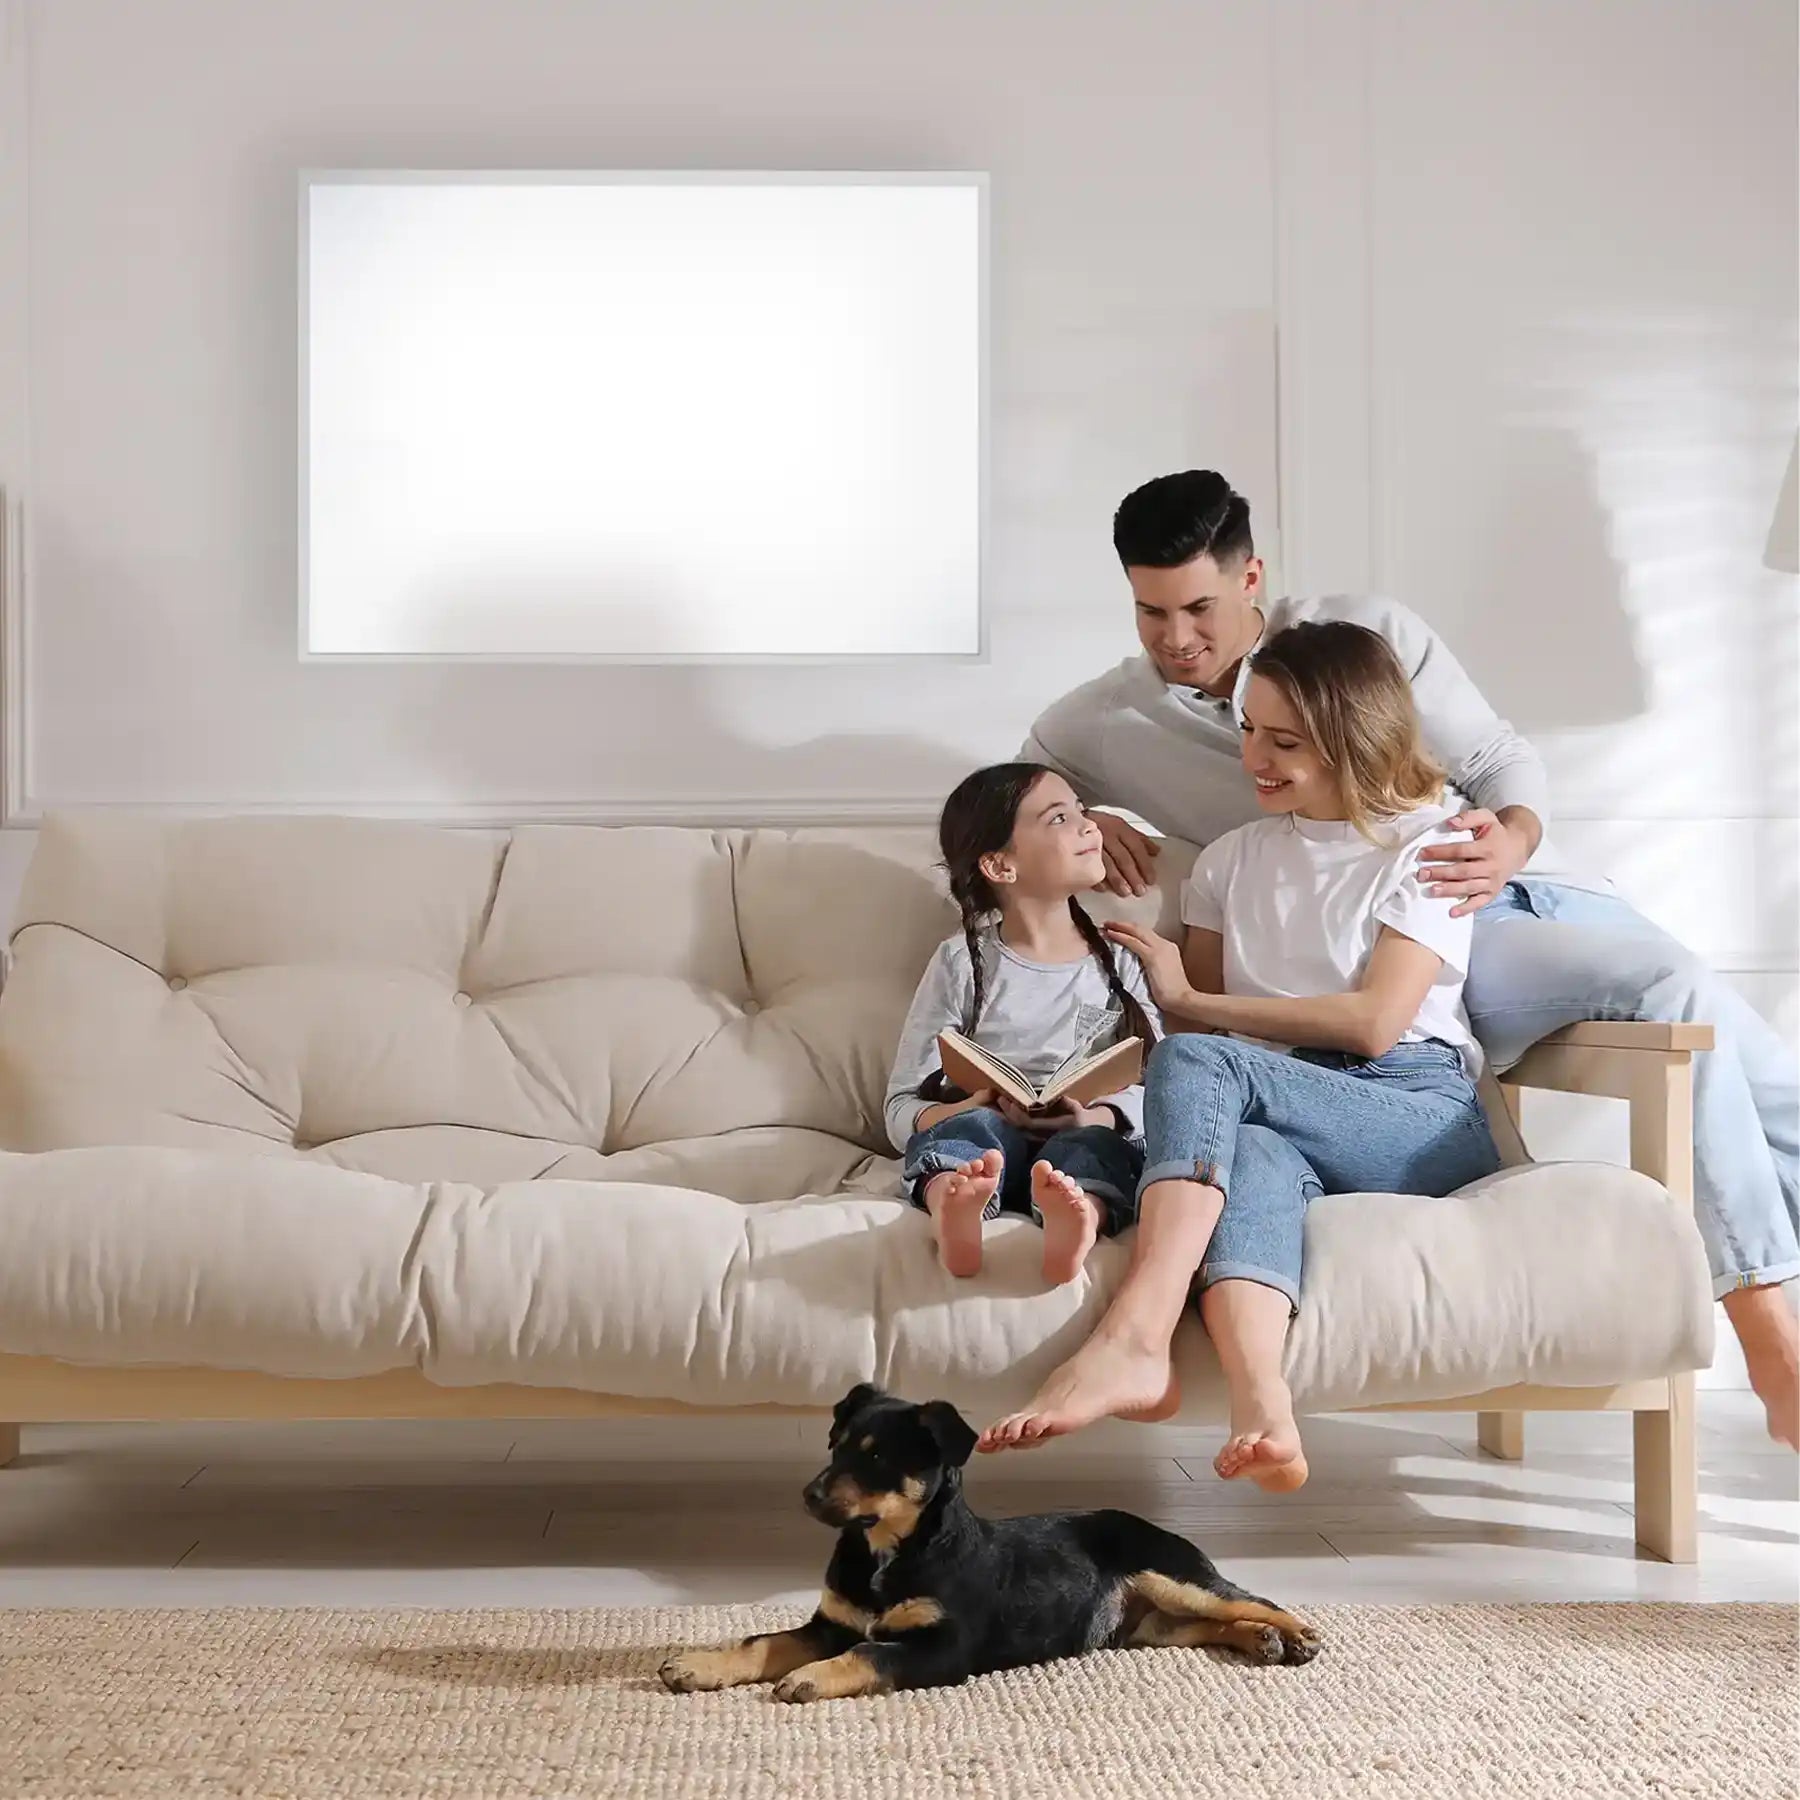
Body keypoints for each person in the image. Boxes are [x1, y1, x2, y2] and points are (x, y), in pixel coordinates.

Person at [1019, 470, 1799, 1449]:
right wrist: (1079, 812)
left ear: (1252, 576)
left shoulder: (1364, 635)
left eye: (1199, 608)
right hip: (1368, 961)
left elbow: (1500, 764)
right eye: (1151, 612)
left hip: (1497, 901)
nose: (1177, 637)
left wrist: (1509, 842)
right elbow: (1013, 781)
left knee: (1707, 1022)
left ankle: (1771, 1336)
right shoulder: (1118, 721)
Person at [982, 623, 1503, 1484]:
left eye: (1284, 741)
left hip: (1412, 1111)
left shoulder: (1436, 845)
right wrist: (1092, 1097)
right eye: (1249, 730)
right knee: (1248, 1152)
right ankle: (1266, 1408)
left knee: (1208, 1066)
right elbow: (1198, 1058)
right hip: (1280, 1107)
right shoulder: (1229, 861)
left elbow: (1376, 1023)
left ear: (1353, 736)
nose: (1253, 756)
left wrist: (1186, 1002)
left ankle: (1136, 1335)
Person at [886, 764, 1162, 1286]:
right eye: (1061, 817)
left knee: (1095, 1153)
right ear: (1000, 865)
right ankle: (955, 1203)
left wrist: (1097, 1118)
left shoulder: (1120, 960)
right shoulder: (960, 963)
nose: (1090, 826)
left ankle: (1080, 1220)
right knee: (969, 1132)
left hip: (1081, 1134)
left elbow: (1165, 1094)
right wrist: (967, 1106)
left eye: (1082, 810)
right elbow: (900, 1106)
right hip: (988, 1136)